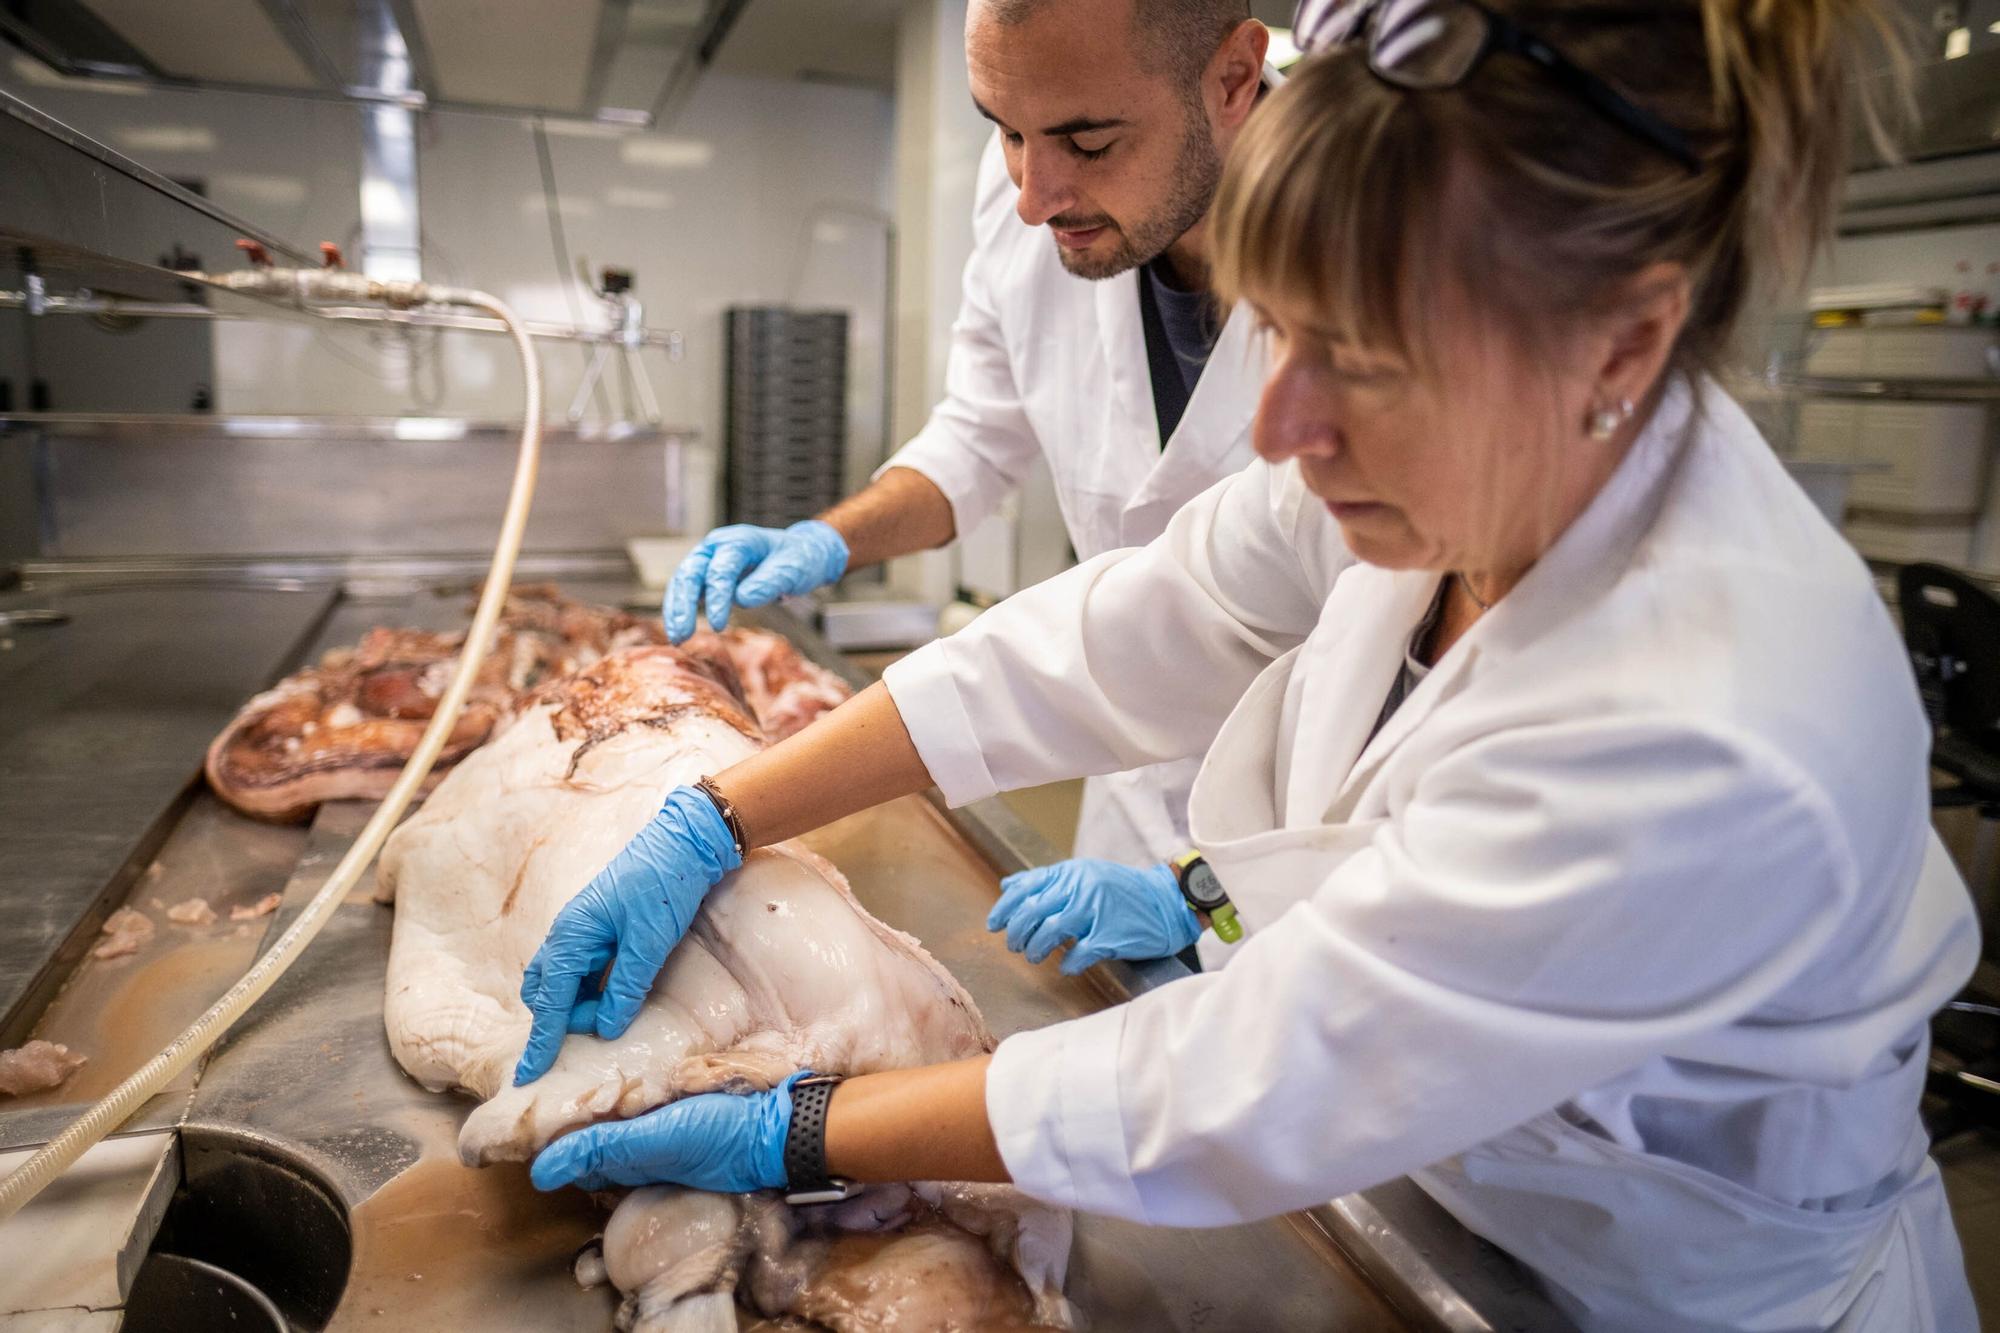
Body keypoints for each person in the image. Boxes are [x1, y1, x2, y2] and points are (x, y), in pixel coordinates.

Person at [519, 0, 1982, 1327]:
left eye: (1361, 354)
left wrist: (797, 1124)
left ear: (1623, 343)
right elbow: (1109, 636)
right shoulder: (1472, 455)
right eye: (1277, 325)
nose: (1281, 427)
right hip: (1428, 1193)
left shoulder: (1708, 721)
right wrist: (719, 815)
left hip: (1664, 1288)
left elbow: (1241, 1085)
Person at [664, 0, 1276, 891]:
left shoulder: (1390, 241)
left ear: (1232, 79)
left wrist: (1214, 888)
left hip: (1310, 828)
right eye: (1006, 133)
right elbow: (979, 437)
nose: (1034, 197)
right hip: (1130, 805)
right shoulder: (1037, 195)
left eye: (1090, 142)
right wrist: (829, 539)